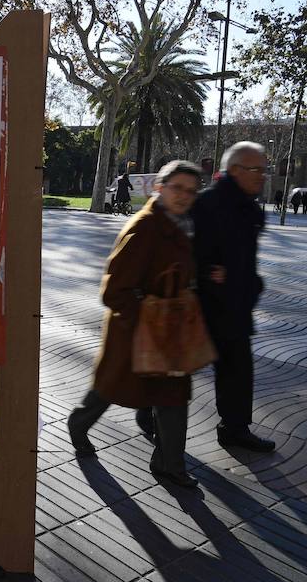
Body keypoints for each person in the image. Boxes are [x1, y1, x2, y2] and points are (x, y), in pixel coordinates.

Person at [67, 160, 204, 488]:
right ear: (159, 187)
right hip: (136, 331)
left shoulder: (181, 225)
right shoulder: (143, 228)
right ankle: (79, 424)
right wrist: (148, 315)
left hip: (168, 331)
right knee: (108, 389)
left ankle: (169, 464)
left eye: (190, 190)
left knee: (172, 395)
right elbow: (113, 290)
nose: (184, 195)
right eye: (177, 188)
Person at [191, 141, 275, 453]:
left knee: (238, 370)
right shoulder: (207, 204)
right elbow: (189, 251)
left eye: (264, 170)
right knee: (178, 367)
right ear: (236, 170)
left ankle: (234, 429)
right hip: (204, 305)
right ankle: (149, 412)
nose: (262, 176)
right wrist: (207, 274)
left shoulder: (250, 207)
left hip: (235, 306)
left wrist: (251, 286)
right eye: (257, 170)